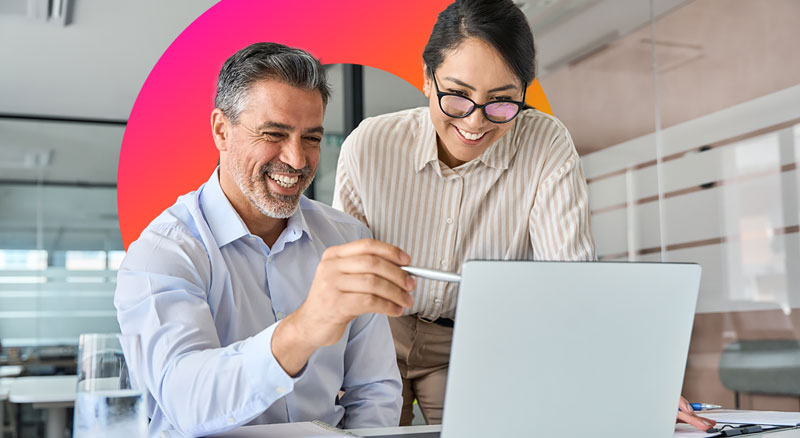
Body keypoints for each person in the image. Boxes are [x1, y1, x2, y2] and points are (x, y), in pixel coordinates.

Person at [332, 0, 715, 431]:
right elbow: (343, 276)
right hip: (377, 337)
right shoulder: (370, 145)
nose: (475, 122)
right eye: (457, 96)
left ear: (524, 93)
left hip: (473, 340)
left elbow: (570, 280)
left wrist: (632, 383)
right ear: (426, 78)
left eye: (501, 102)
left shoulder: (546, 145)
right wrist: (332, 365)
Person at [114, 42, 415, 437]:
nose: (296, 159)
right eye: (274, 133)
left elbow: (374, 391)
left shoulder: (346, 238)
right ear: (222, 130)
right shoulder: (164, 253)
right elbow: (186, 400)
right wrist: (304, 329)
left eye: (311, 138)